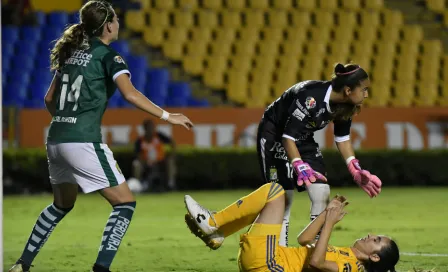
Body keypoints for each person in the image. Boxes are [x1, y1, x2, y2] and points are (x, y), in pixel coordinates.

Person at [9, 1, 193, 272]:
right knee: (125, 204)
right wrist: (169, 116)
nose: (118, 23)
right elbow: (130, 94)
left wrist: (65, 121)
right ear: (108, 25)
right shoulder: (110, 57)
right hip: (82, 140)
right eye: (116, 18)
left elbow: (49, 98)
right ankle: (101, 268)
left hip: (56, 138)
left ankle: (22, 264)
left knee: (61, 205)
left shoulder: (70, 54)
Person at [254, 63, 382, 247]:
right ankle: (280, 254)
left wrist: (354, 168)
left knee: (321, 192)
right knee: (282, 199)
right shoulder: (311, 97)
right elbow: (288, 137)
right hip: (274, 134)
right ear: (347, 90)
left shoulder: (345, 105)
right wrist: (298, 163)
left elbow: (342, 138)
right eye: (364, 89)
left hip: (302, 138)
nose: (366, 94)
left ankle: (314, 251)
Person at [184, 183, 400, 272]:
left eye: (377, 240)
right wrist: (326, 214)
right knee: (274, 195)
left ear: (375, 258)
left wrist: (330, 225)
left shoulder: (351, 268)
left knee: (274, 192)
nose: (371, 235)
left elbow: (316, 261)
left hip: (271, 264)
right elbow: (304, 239)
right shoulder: (346, 253)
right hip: (269, 259)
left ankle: (215, 223)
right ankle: (218, 232)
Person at [132, 119, 177, 192]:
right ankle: (138, 185)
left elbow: (172, 143)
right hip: (146, 163)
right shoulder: (140, 140)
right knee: (136, 164)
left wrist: (172, 154)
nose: (151, 129)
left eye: (152, 127)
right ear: (145, 128)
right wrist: (145, 161)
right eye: (149, 127)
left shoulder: (159, 136)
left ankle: (171, 184)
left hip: (160, 162)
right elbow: (138, 155)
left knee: (170, 162)